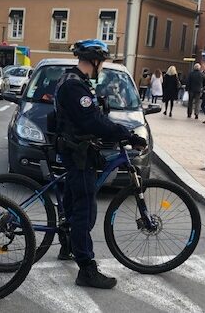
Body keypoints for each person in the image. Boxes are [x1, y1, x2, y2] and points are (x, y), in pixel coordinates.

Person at [53, 39, 147, 289]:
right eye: (102, 62)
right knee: (85, 211)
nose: (102, 67)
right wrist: (127, 134)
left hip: (77, 151)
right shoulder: (75, 87)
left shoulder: (74, 82)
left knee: (74, 204)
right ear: (94, 61)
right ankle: (87, 269)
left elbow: (90, 116)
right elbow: (92, 122)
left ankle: (68, 246)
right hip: (78, 153)